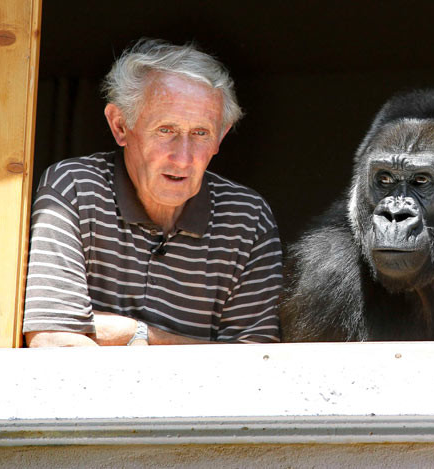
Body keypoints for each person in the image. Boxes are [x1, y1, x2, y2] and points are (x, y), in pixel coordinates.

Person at [23, 39, 282, 347]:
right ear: (120, 126)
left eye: (201, 133)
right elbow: (53, 342)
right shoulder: (74, 188)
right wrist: (195, 348)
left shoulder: (247, 218)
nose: (183, 157)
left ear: (220, 138)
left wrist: (134, 334)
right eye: (165, 130)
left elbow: (257, 367)